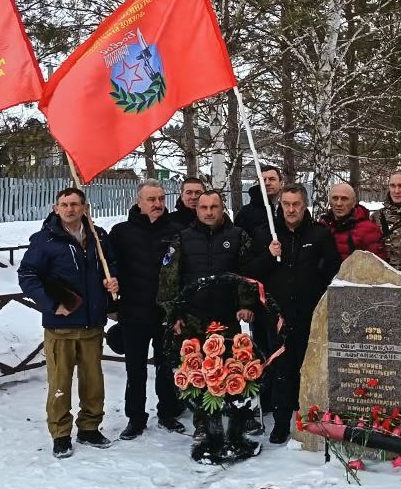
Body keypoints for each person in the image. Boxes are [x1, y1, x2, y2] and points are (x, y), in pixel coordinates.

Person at [18, 187, 119, 459]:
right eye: (64, 204)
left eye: (75, 204)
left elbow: (112, 266)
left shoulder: (98, 238)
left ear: (85, 208)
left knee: (93, 383)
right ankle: (60, 433)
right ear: (55, 208)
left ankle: (89, 427)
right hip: (60, 326)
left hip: (92, 325)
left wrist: (112, 281)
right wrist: (52, 304)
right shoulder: (45, 241)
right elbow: (27, 276)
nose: (70, 209)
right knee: (60, 384)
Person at [245, 184, 341, 443]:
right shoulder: (266, 234)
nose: (290, 209)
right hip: (277, 317)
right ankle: (281, 422)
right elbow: (250, 273)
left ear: (304, 205)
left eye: (296, 204)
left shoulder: (319, 234)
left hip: (310, 314)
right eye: (286, 204)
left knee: (308, 368)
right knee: (281, 370)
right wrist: (268, 254)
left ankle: (309, 418)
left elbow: (333, 269)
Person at [159, 190, 251, 440]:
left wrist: (246, 303)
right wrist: (173, 313)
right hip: (193, 317)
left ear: (222, 209)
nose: (209, 212)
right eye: (204, 208)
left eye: (214, 207)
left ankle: (234, 415)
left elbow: (247, 274)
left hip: (226, 316)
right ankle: (202, 420)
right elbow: (169, 280)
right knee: (198, 371)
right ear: (196, 210)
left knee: (229, 367)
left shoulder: (238, 236)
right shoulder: (182, 239)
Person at [108, 179, 185, 440]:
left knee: (166, 367)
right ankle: (135, 417)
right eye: (151, 200)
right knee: (135, 369)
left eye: (161, 199)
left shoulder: (177, 230)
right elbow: (110, 268)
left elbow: (184, 273)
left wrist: (180, 311)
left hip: (165, 314)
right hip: (133, 312)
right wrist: (112, 304)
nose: (158, 204)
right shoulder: (121, 232)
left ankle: (167, 412)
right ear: (138, 202)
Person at [319, 182, 385, 261]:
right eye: (335, 198)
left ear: (353, 202)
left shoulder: (369, 230)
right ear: (329, 202)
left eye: (344, 199)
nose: (339, 203)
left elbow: (377, 266)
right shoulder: (322, 227)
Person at [236, 165, 284, 240]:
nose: (267, 183)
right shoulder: (246, 213)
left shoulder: (291, 209)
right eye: (263, 180)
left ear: (281, 183)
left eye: (272, 179)